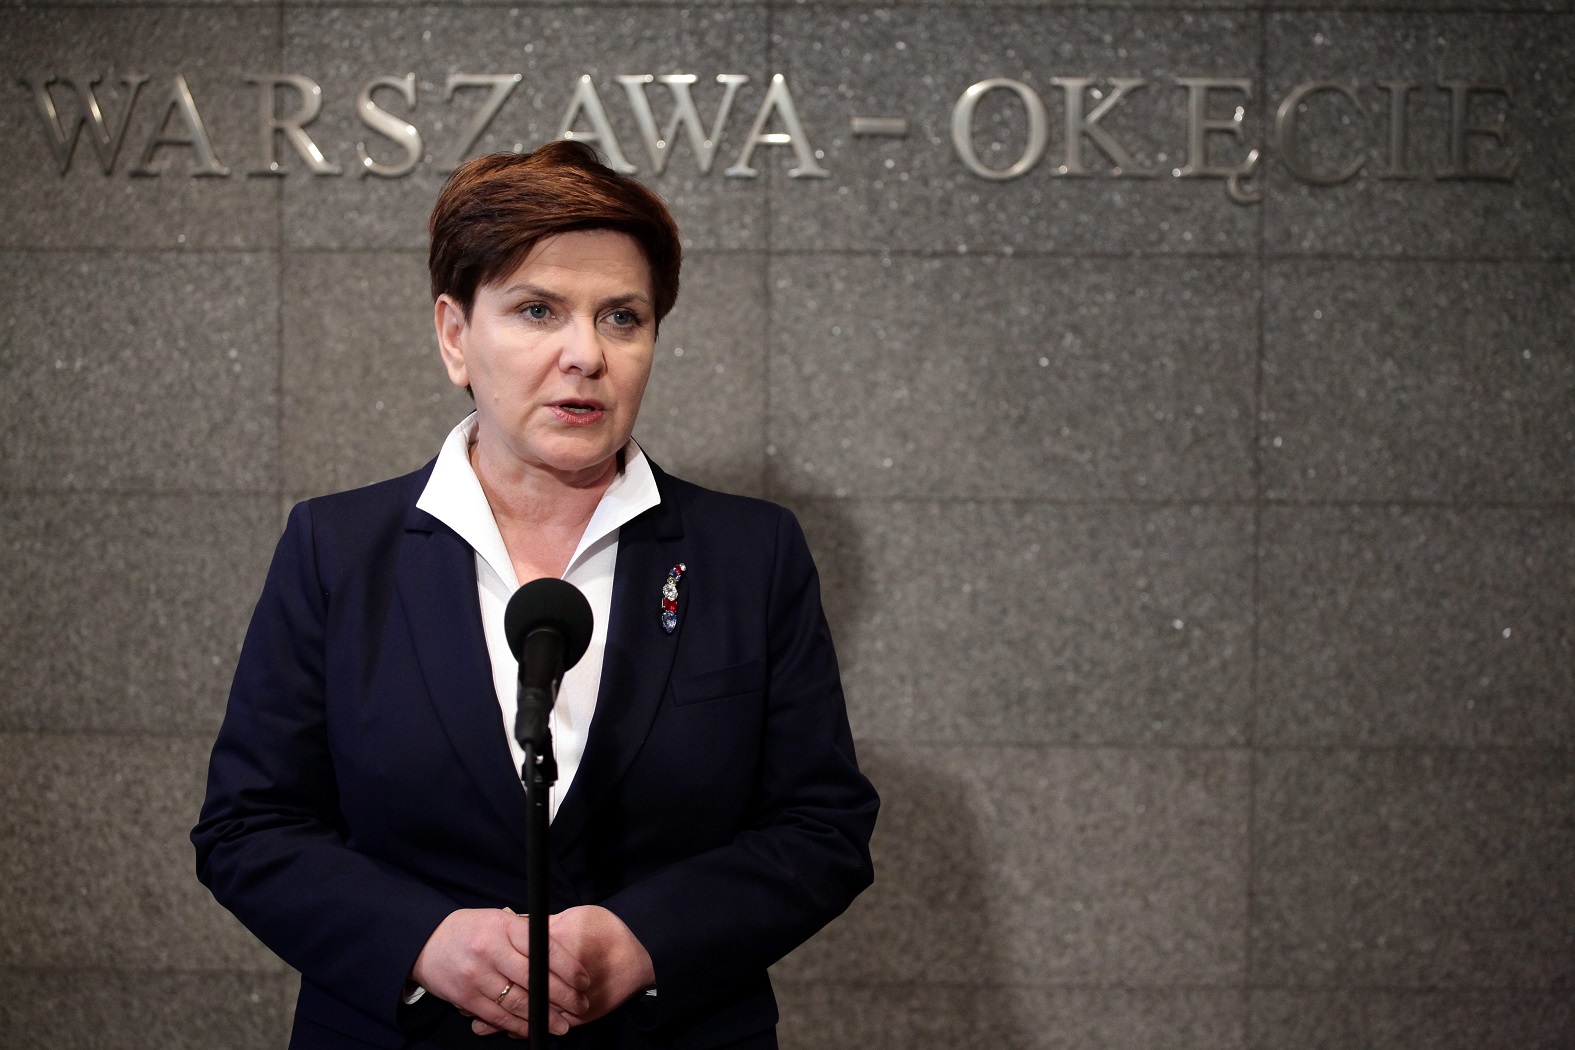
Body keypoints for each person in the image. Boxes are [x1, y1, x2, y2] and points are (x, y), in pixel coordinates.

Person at [192, 140, 879, 1050]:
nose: (585, 354)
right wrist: (426, 945)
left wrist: (642, 942)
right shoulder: (337, 549)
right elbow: (249, 826)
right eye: (537, 310)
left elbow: (821, 827)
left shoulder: (750, 553)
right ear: (454, 335)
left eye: (622, 317)